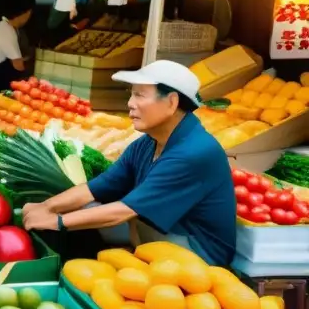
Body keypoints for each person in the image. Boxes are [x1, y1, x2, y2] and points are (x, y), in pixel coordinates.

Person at [22, 60, 237, 266]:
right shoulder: (147, 144)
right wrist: (45, 207)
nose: (130, 104)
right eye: (131, 95)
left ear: (172, 102)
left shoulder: (192, 152)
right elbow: (96, 188)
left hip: (199, 251)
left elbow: (125, 211)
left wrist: (56, 222)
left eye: (139, 95)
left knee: (81, 223)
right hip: (158, 231)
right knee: (84, 209)